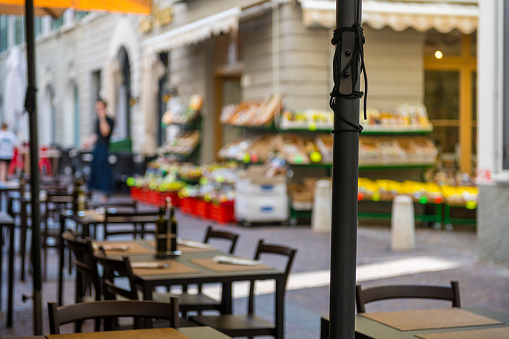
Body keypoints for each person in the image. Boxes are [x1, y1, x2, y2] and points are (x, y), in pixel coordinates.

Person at [84, 99, 115, 200]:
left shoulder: (109, 120)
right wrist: (89, 142)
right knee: (95, 169)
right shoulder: (97, 120)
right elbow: (97, 135)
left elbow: (105, 132)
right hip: (97, 148)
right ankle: (92, 192)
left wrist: (102, 118)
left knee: (104, 170)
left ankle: (106, 192)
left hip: (104, 148)